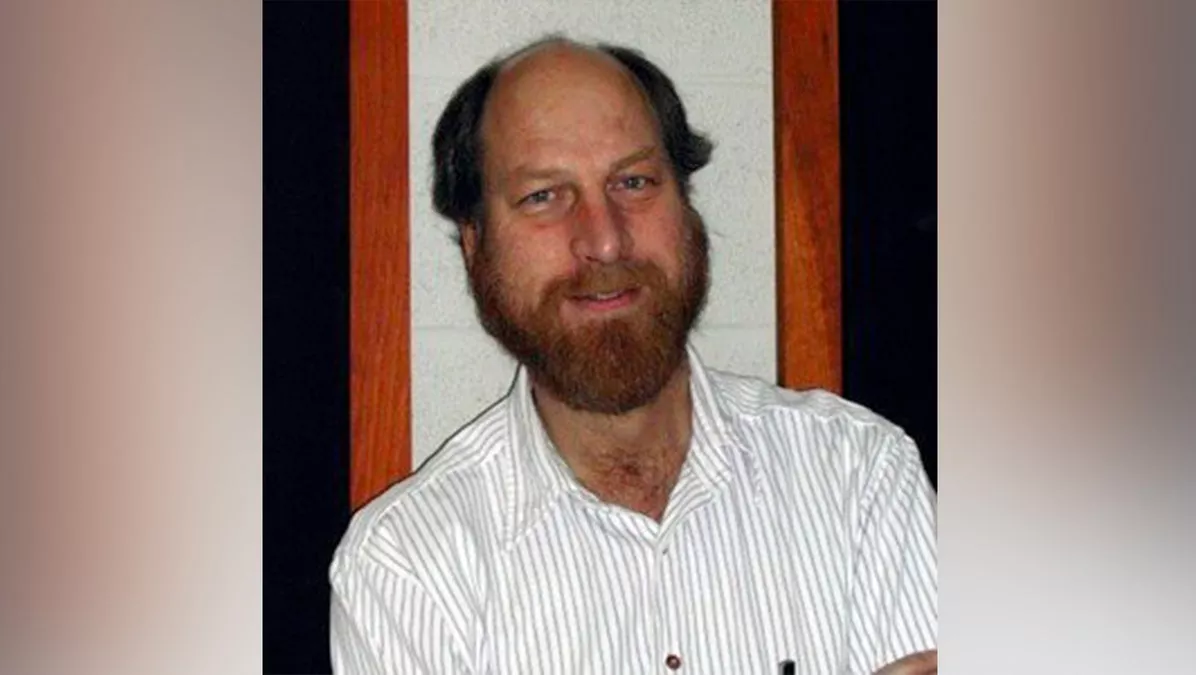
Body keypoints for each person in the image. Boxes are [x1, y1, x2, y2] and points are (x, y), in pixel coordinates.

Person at [330, 36, 937, 675]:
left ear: (687, 208)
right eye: (543, 196)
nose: (605, 241)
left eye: (634, 182)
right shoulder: (405, 566)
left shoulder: (859, 474)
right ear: (475, 245)